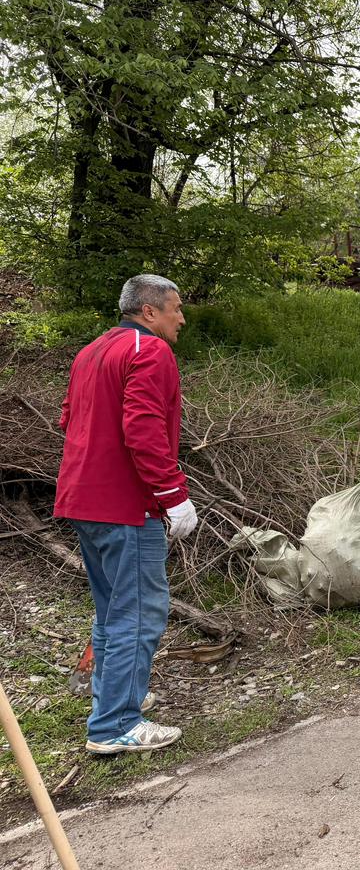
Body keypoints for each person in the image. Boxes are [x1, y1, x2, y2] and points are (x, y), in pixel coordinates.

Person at [55, 274, 196, 754]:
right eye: (175, 307)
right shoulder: (150, 351)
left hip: (82, 499)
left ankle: (114, 697)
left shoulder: (90, 351)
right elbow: (143, 429)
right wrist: (173, 494)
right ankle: (115, 724)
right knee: (139, 612)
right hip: (124, 506)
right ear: (149, 311)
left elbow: (69, 419)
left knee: (113, 608)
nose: (182, 317)